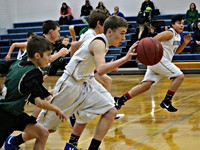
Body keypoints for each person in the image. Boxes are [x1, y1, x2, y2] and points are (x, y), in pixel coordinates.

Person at [37, 16, 138, 150]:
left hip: (84, 83)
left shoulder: (101, 41)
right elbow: (101, 69)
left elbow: (81, 52)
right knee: (45, 129)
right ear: (109, 32)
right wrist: (125, 59)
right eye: (122, 33)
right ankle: (14, 140)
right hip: (70, 84)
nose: (124, 38)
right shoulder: (99, 42)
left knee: (110, 111)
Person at [114, 14, 191, 112]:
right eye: (179, 23)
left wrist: (185, 43)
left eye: (183, 24)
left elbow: (177, 52)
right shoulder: (169, 33)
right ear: (172, 24)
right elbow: (151, 41)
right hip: (159, 60)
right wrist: (140, 54)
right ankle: (166, 101)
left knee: (146, 85)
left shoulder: (178, 37)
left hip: (157, 62)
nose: (181, 25)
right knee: (179, 76)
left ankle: (120, 100)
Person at [0, 36, 66, 150]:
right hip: (6, 116)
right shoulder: (34, 73)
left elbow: (31, 91)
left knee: (43, 133)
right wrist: (56, 109)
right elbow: (39, 103)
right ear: (37, 56)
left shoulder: (15, 63)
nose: (49, 58)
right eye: (48, 55)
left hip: (16, 114)